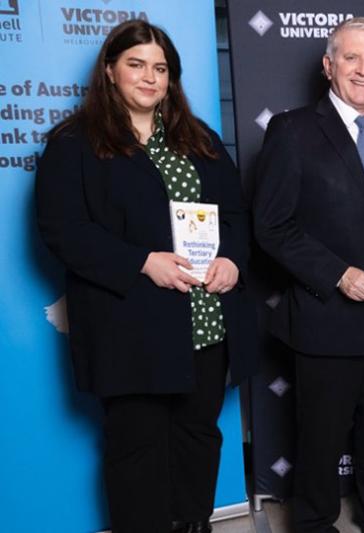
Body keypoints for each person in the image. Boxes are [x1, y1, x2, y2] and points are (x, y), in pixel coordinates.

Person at [35, 20, 258, 533]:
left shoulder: (199, 138)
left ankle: (193, 524)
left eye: (160, 68)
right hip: (129, 325)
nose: (149, 77)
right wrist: (142, 261)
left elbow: (235, 217)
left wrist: (232, 261)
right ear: (111, 71)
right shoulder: (75, 143)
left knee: (199, 436)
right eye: (136, 64)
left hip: (204, 322)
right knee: (137, 447)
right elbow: (62, 230)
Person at [251, 17, 364, 533]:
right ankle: (313, 524)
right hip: (328, 314)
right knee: (321, 440)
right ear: (329, 66)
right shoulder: (293, 130)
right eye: (352, 58)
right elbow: (271, 226)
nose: (363, 69)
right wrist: (339, 274)